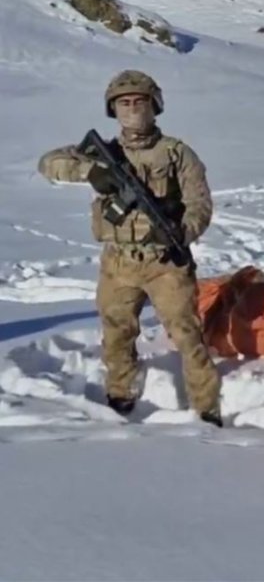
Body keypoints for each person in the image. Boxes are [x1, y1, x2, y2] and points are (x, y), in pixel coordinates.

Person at [37, 70, 223, 426]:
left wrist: (182, 234)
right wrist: (92, 173)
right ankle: (120, 393)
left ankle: (207, 406)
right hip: (118, 262)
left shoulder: (177, 154)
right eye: (124, 103)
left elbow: (200, 204)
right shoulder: (103, 154)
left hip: (165, 262)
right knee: (117, 330)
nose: (133, 109)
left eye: (140, 102)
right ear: (112, 109)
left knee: (187, 334)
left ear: (155, 106)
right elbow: (48, 164)